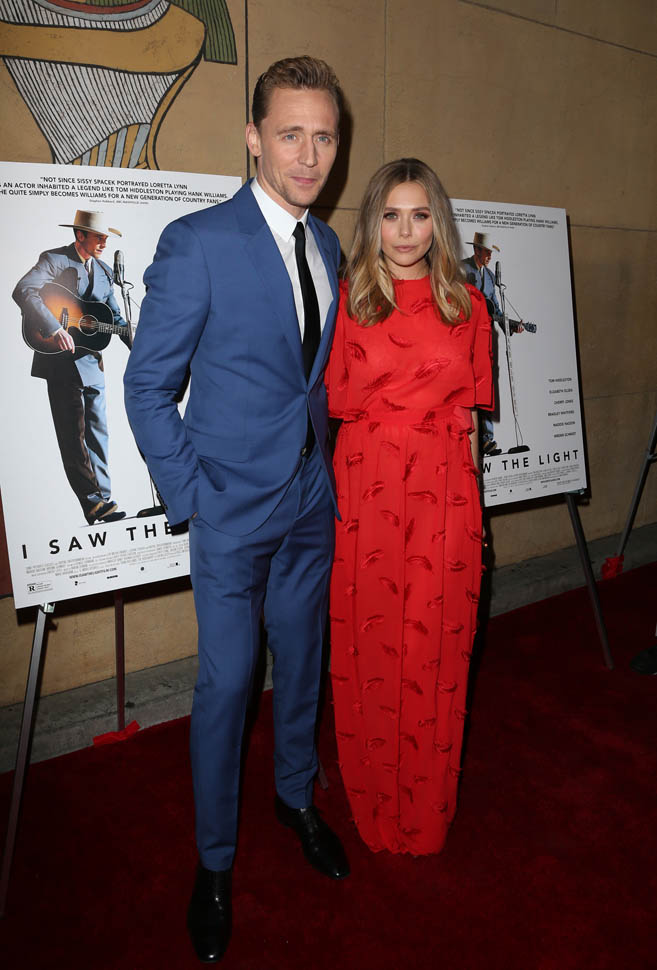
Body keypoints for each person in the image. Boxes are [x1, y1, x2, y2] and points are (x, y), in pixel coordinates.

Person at [124, 56, 349, 964]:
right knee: (225, 687)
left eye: (324, 136)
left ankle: (294, 798)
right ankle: (214, 861)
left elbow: (310, 381)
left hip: (309, 505)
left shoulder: (328, 247)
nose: (309, 155)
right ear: (254, 138)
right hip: (228, 511)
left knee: (302, 663)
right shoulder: (199, 242)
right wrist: (194, 498)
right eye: (290, 134)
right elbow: (146, 387)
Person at [325, 158, 493, 856]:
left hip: (444, 492)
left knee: (434, 646)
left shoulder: (468, 307)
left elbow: (472, 420)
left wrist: (474, 520)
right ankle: (371, 797)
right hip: (365, 486)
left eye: (419, 215)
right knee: (367, 645)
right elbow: (329, 407)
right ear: (373, 222)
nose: (404, 231)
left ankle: (426, 806)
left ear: (437, 223)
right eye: (391, 215)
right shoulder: (349, 302)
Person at [13, 210, 129, 525]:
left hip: (92, 362)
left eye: (106, 238)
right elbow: (24, 289)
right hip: (60, 361)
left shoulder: (104, 271)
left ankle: (104, 499)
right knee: (73, 436)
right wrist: (54, 327)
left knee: (99, 432)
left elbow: (115, 317)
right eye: (98, 237)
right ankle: (93, 504)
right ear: (80, 235)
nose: (104, 242)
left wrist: (141, 343)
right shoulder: (54, 260)